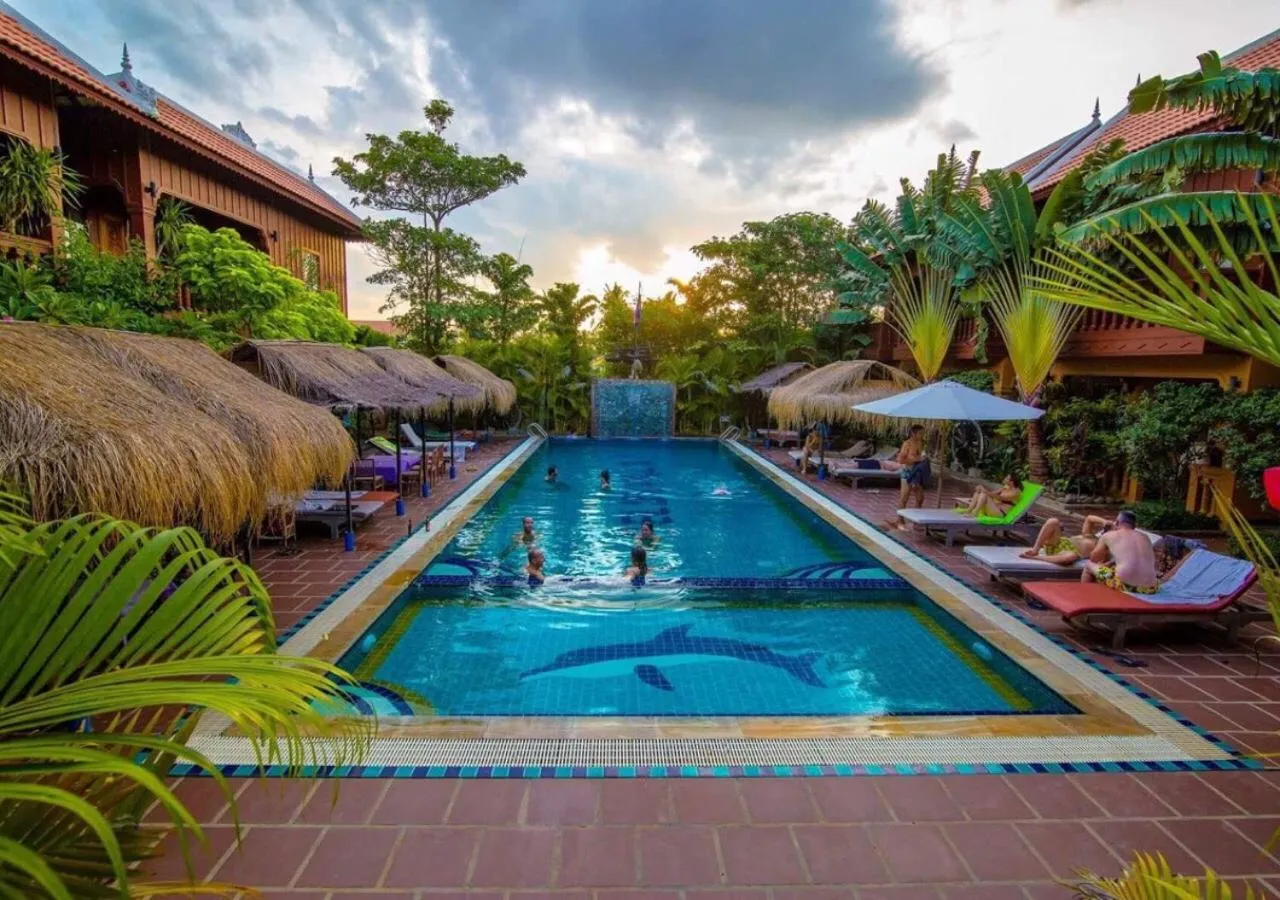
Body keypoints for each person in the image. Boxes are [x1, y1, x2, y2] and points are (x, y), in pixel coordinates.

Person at [1084, 509, 1158, 593]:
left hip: (1124, 585)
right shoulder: (1145, 537)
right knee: (1112, 568)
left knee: (1088, 565)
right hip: (1151, 587)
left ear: (1117, 522)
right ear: (1134, 525)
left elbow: (1093, 558)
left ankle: (1086, 596)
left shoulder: (1109, 535)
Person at [1020, 515, 1112, 565]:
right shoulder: (1090, 535)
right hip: (1059, 542)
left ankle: (1035, 558)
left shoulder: (1103, 548)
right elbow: (1089, 518)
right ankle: (1035, 550)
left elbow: (1098, 559)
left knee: (1071, 557)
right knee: (1053, 521)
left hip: (1066, 552)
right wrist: (1104, 521)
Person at [885, 425, 928, 528]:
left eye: (923, 433)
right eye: (920, 433)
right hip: (908, 472)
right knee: (904, 497)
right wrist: (917, 459)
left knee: (920, 497)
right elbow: (900, 460)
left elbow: (921, 456)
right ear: (913, 433)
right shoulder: (907, 444)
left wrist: (924, 459)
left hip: (917, 473)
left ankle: (917, 521)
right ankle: (899, 520)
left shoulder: (921, 443)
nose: (922, 435)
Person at [957, 474, 1023, 519]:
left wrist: (985, 491)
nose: (1004, 478)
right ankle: (969, 510)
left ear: (1012, 482)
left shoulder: (1015, 493)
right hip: (993, 509)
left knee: (984, 494)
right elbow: (992, 494)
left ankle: (974, 513)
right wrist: (981, 489)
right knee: (979, 492)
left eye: (1007, 478)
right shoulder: (1005, 488)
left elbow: (1001, 498)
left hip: (1000, 513)